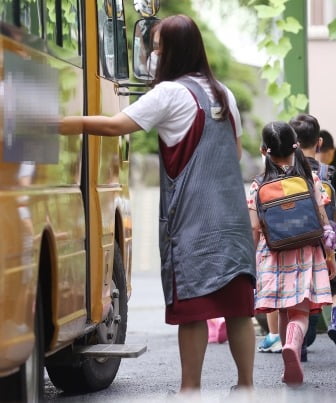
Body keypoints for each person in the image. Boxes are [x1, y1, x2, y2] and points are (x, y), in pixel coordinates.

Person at [60, 15, 256, 394]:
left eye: (157, 47)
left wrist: (61, 122)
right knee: (238, 309)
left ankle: (190, 390)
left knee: (194, 312)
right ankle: (247, 387)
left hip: (193, 225)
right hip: (231, 225)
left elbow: (117, 125)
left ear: (174, 53)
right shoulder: (224, 94)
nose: (152, 55)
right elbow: (232, 153)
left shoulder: (169, 95)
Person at [247, 121, 336, 385]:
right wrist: (330, 256)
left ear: (265, 150)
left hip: (273, 253)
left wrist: (251, 263)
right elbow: (323, 220)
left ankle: (288, 359)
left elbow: (253, 228)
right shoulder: (311, 178)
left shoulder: (257, 185)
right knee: (300, 312)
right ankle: (293, 345)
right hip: (306, 251)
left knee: (283, 310)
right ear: (295, 147)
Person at [289, 115, 336, 359]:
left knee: (300, 290)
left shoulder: (288, 175)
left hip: (295, 241)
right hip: (327, 240)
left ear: (292, 144)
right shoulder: (328, 172)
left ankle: (300, 342)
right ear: (318, 142)